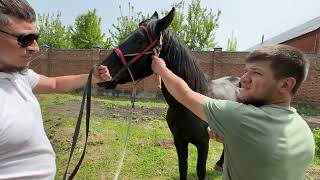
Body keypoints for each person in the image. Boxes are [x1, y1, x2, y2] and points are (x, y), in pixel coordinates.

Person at [151, 44, 315, 180]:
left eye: (256, 72)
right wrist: (234, 141)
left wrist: (162, 69)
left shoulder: (241, 117)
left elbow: (185, 95)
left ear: (285, 85)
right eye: (246, 71)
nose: (243, 79)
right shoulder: (304, 131)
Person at [0, 0, 112, 179]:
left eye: (36, 38)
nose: (35, 48)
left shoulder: (18, 76)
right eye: (25, 39)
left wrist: (92, 77)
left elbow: (54, 84)